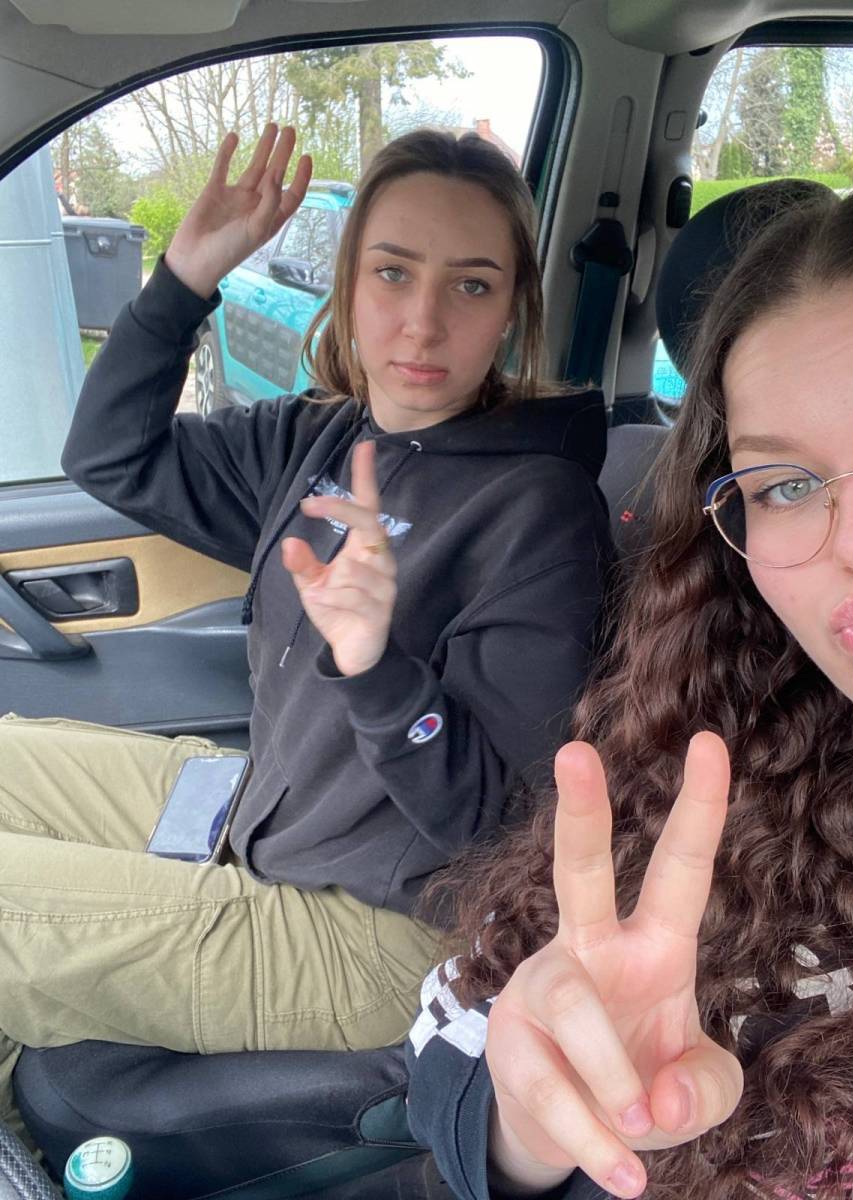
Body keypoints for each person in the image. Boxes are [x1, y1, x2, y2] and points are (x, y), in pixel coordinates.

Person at [0, 124, 611, 1141]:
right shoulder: (320, 434)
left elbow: (491, 833)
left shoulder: (537, 512)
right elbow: (108, 454)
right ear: (350, 282)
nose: (422, 322)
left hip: (378, 928)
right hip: (261, 817)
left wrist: (375, 665)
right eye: (392, 272)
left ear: (512, 311)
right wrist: (184, 279)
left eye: (470, 285)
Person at [405, 175, 853, 1200]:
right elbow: (472, 1019)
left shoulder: (530, 505)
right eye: (787, 486)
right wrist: (536, 1121)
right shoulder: (751, 745)